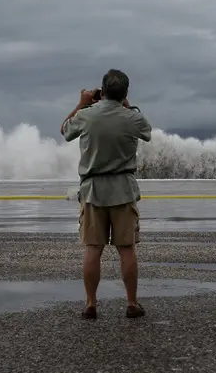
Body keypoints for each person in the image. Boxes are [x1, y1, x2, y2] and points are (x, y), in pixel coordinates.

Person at [61, 69, 152, 320]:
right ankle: (132, 303)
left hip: (93, 191)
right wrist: (128, 105)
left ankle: (91, 304)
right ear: (125, 92)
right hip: (123, 189)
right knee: (126, 249)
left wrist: (81, 103)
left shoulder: (86, 115)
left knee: (93, 249)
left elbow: (65, 131)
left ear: (102, 90)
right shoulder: (131, 117)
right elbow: (147, 131)